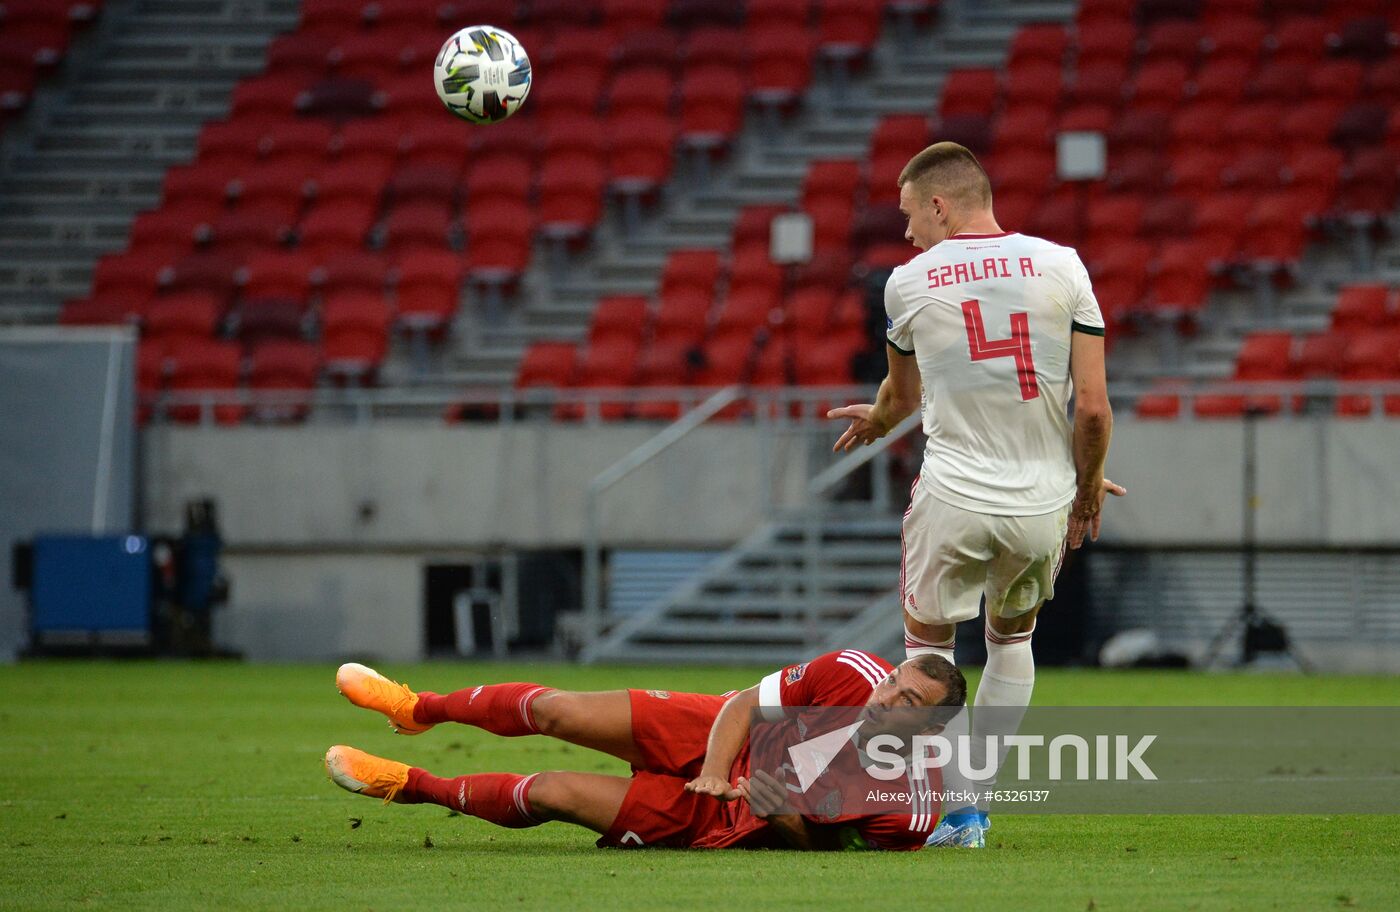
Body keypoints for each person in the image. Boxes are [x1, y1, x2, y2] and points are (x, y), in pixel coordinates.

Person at [826, 141, 1126, 848]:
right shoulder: (1063, 264)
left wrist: (878, 421)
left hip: (954, 496)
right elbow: (1092, 409)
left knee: (928, 655)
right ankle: (977, 803)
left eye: (909, 215)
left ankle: (957, 815)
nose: (907, 233)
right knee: (1012, 640)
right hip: (1040, 505)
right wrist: (1085, 485)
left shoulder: (908, 283)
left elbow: (902, 398)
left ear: (939, 205)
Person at [324, 649, 965, 851]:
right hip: (718, 733)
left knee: (550, 792)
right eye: (893, 681)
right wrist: (715, 768)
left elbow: (827, 852)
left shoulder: (908, 809)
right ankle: (416, 708)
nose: (884, 697)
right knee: (556, 709)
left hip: (730, 815)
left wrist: (779, 815)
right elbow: (745, 704)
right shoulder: (850, 671)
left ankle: (406, 784)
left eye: (907, 701)